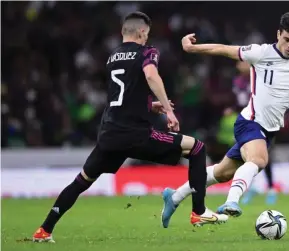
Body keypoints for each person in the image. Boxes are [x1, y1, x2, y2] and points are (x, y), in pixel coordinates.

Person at [160, 12, 289, 228]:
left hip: (268, 129)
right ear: (278, 34)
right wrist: (192, 48)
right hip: (250, 123)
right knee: (259, 160)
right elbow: (224, 49)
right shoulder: (260, 52)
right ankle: (231, 201)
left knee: (221, 173)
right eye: (287, 39)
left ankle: (174, 197)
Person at [32, 11, 228, 243]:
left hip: (109, 134)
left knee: (81, 181)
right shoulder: (147, 52)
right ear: (142, 32)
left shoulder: (112, 57)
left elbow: (122, 94)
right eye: (147, 33)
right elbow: (151, 76)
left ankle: (44, 230)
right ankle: (199, 212)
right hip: (135, 133)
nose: (148, 38)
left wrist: (149, 105)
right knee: (196, 148)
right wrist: (167, 109)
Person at [231, 60, 277, 205]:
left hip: (264, 120)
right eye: (238, 64)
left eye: (243, 63)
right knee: (247, 155)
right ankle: (254, 186)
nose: (240, 66)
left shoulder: (259, 77)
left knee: (265, 155)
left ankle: (270, 188)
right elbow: (239, 101)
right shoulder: (237, 81)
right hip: (246, 121)